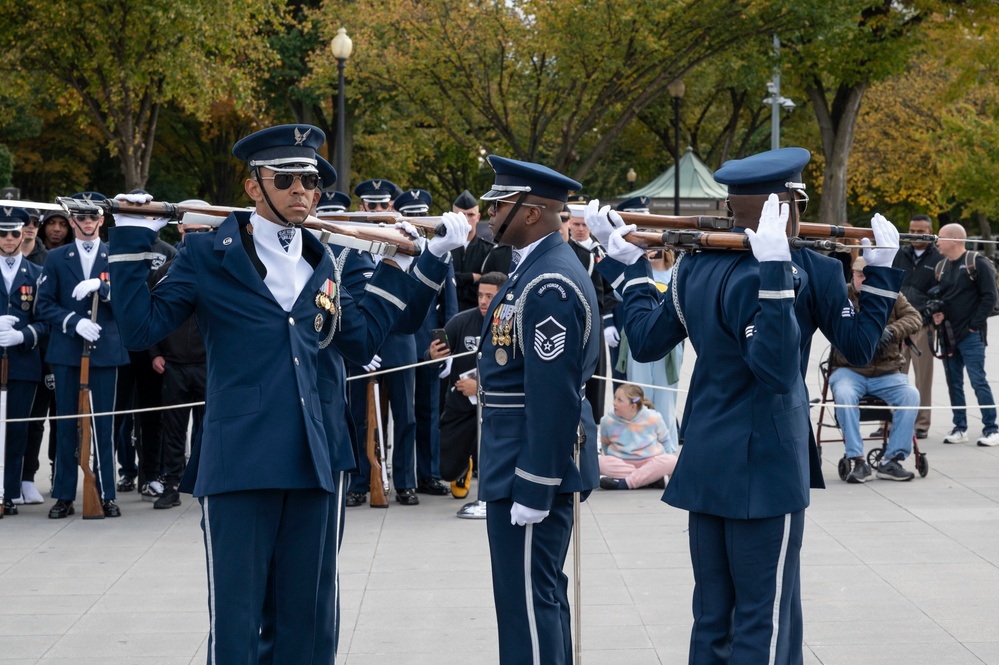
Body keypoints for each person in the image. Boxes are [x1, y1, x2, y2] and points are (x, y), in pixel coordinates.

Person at [107, 124, 468, 663]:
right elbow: (140, 329)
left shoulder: (322, 256)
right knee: (238, 621)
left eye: (313, 181)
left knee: (310, 622)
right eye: (288, 179)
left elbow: (364, 337)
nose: (304, 190)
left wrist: (422, 258)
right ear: (254, 186)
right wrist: (132, 238)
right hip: (242, 460)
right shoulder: (210, 253)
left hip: (317, 457)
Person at [590, 147, 903, 664]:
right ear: (786, 207)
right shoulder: (801, 269)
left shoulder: (696, 267)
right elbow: (782, 373)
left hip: (707, 458)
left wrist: (628, 271)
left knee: (713, 616)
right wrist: (795, 276)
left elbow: (643, 340)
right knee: (765, 616)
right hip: (766, 466)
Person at [477, 155, 599, 665]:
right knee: (533, 598)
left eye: (499, 203)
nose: (489, 214)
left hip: (527, 466)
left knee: (530, 603)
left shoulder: (548, 283)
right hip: (517, 458)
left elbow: (552, 397)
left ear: (530, 212)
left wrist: (535, 484)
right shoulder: (535, 270)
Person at [36, 191, 130, 519]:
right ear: (72, 220)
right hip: (67, 351)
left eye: (92, 217)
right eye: (81, 217)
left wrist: (102, 289)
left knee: (104, 426)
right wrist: (73, 321)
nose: (87, 222)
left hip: (105, 351)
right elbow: (43, 304)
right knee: (66, 426)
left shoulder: (115, 254)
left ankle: (105, 493)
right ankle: (63, 494)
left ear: (102, 220)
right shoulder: (56, 257)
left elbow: (130, 301)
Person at [829, 257, 922, 482]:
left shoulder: (893, 295)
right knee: (843, 393)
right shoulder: (842, 294)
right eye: (860, 275)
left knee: (911, 394)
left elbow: (915, 318)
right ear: (853, 275)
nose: (863, 280)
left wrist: (891, 331)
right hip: (849, 369)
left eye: (868, 276)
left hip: (887, 370)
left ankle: (892, 460)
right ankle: (858, 459)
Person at [147, 209, 212, 509]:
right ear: (180, 233)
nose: (194, 238)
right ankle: (171, 482)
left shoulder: (220, 272)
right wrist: (155, 353)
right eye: (189, 232)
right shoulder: (166, 272)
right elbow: (152, 316)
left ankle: (204, 481)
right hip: (173, 364)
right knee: (172, 429)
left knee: (208, 427)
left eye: (201, 232)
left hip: (207, 363)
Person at [434, 271, 508, 498]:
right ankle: (463, 464)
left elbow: (516, 373)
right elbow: (434, 354)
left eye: (489, 296)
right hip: (460, 404)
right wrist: (432, 355)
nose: (483, 301)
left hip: (498, 407)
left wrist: (480, 388)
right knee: (446, 469)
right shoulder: (461, 321)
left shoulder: (511, 324)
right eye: (480, 295)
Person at [932, 223, 999, 446]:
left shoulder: (977, 262)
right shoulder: (941, 266)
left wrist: (973, 326)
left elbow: (990, 297)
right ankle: (960, 427)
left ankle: (991, 428)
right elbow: (942, 297)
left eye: (940, 238)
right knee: (954, 383)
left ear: (955, 240)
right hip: (947, 334)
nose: (937, 242)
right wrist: (937, 314)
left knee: (978, 381)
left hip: (971, 336)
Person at [0, 208, 47, 515]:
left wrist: (23, 336)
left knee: (17, 429)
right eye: (2, 233)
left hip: (23, 362)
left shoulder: (36, 274)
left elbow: (45, 321)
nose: (8, 239)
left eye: (14, 233)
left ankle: (12, 490)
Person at [892, 214, 941, 439]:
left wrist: (929, 314)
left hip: (923, 326)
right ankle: (892, 419)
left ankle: (921, 424)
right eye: (912, 229)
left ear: (930, 232)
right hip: (898, 325)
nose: (915, 234)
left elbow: (942, 292)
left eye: (921, 231)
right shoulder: (899, 254)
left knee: (923, 378)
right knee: (893, 376)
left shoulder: (939, 258)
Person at [18, 207, 52, 506]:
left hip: (34, 356)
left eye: (32, 223)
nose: (27, 229)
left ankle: (27, 477)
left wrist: (25, 335)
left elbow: (46, 316)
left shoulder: (43, 265)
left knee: (33, 421)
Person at [598, 384, 677, 490]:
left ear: (633, 406)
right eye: (615, 398)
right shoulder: (606, 421)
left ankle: (625, 483)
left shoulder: (654, 417)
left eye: (620, 400)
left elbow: (665, 441)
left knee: (672, 460)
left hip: (651, 461)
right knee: (600, 463)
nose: (614, 403)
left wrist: (666, 462)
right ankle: (650, 480)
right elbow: (605, 445)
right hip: (622, 463)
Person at [450, 190, 495, 312]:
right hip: (446, 316)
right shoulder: (445, 248)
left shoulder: (489, 250)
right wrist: (471, 277)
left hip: (477, 315)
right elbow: (442, 281)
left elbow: (488, 285)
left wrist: (456, 280)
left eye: (470, 215)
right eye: (461, 215)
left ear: (478, 217)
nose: (465, 219)